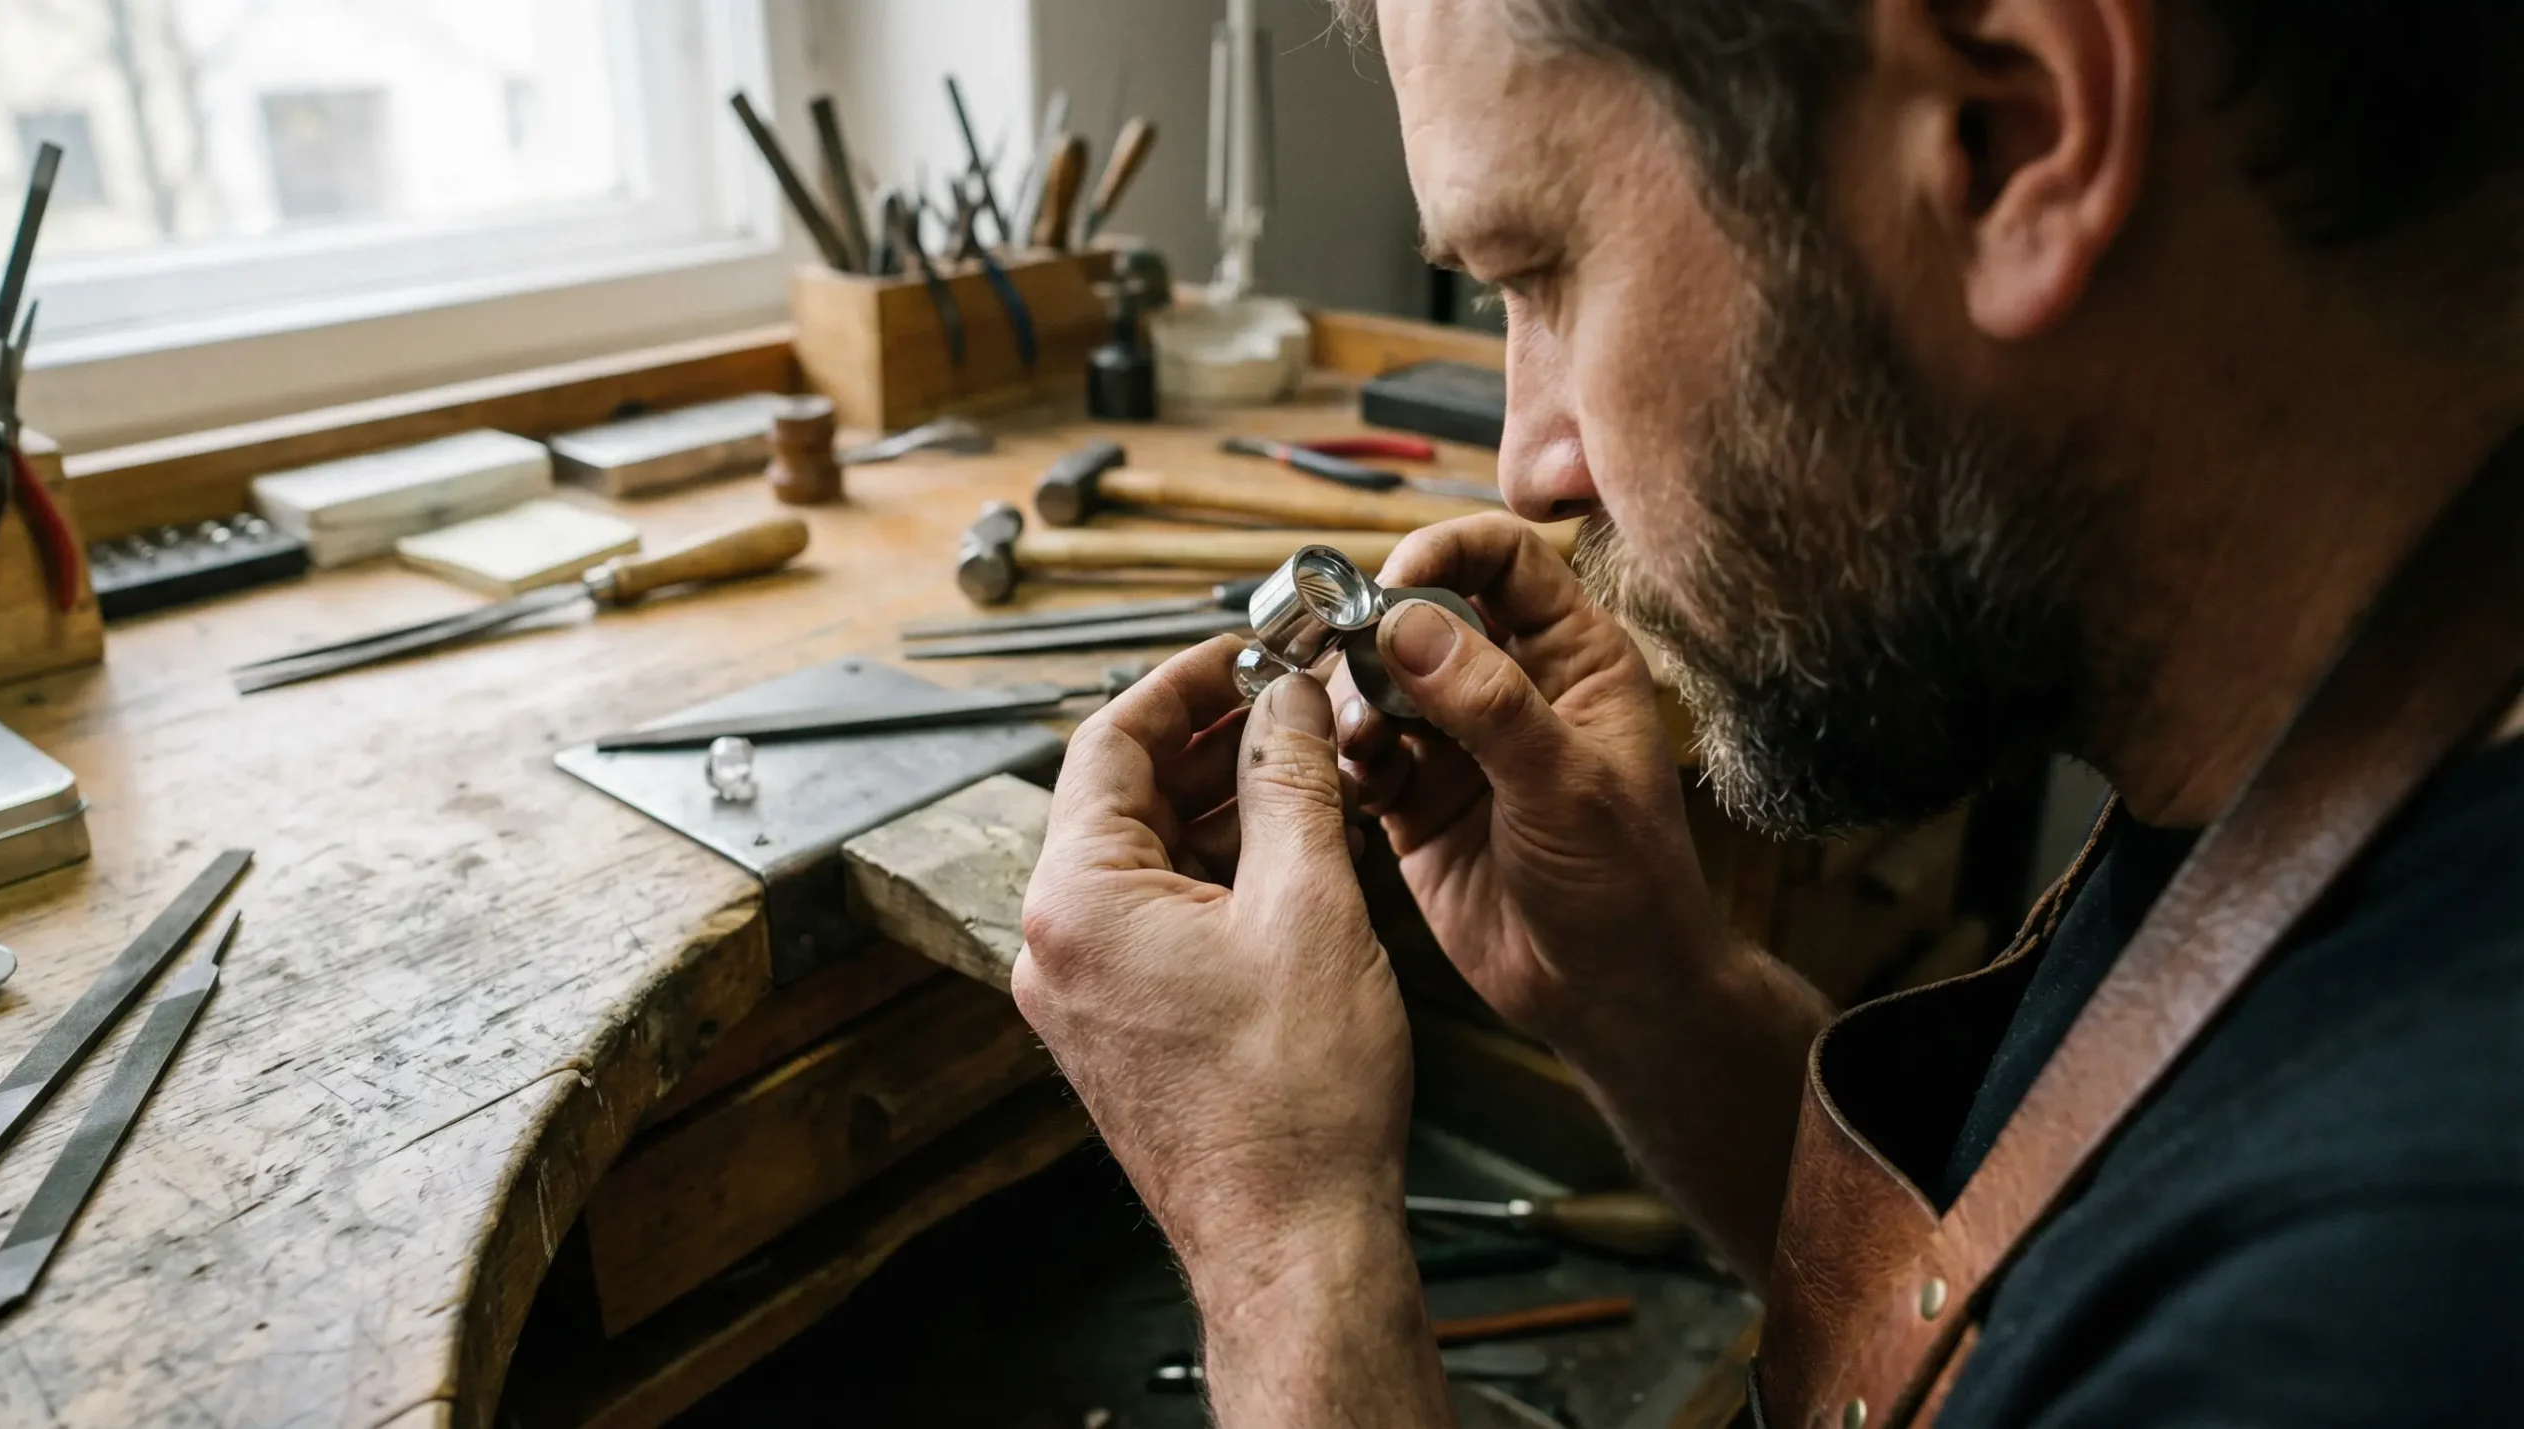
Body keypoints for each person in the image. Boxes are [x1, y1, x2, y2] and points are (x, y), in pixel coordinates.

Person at [1010, 0, 2524, 1423]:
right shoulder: (2315, 732)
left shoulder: (2397, 1298)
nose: (1528, 465)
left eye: (1541, 269)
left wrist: (1284, 1252)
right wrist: (1640, 992)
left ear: (2008, 137)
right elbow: (1995, 1294)